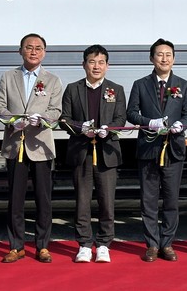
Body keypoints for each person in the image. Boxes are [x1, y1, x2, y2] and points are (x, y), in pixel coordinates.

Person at [0, 33, 62, 264]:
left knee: (43, 199)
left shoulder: (52, 80)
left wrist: (41, 120)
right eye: (29, 47)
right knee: (15, 199)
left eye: (38, 48)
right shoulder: (8, 76)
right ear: (20, 50)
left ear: (44, 52)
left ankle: (43, 246)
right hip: (16, 144)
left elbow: (56, 111)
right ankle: (16, 246)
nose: (33, 51)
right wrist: (13, 121)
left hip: (41, 145)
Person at [127, 39, 187, 262]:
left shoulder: (184, 85)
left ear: (173, 59)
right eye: (159, 54)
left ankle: (167, 243)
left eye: (168, 55)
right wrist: (149, 122)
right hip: (148, 147)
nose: (164, 59)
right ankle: (152, 244)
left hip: (173, 148)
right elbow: (131, 113)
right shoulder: (140, 84)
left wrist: (181, 124)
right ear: (151, 58)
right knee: (148, 200)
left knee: (171, 199)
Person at [60, 45, 127, 264]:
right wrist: (81, 128)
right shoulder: (73, 89)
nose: (96, 66)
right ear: (84, 64)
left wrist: (109, 129)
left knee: (107, 202)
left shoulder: (116, 89)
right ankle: (84, 244)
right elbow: (64, 119)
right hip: (82, 152)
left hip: (107, 152)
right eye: (92, 62)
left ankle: (104, 244)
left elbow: (121, 119)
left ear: (107, 65)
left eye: (101, 62)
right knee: (82, 201)